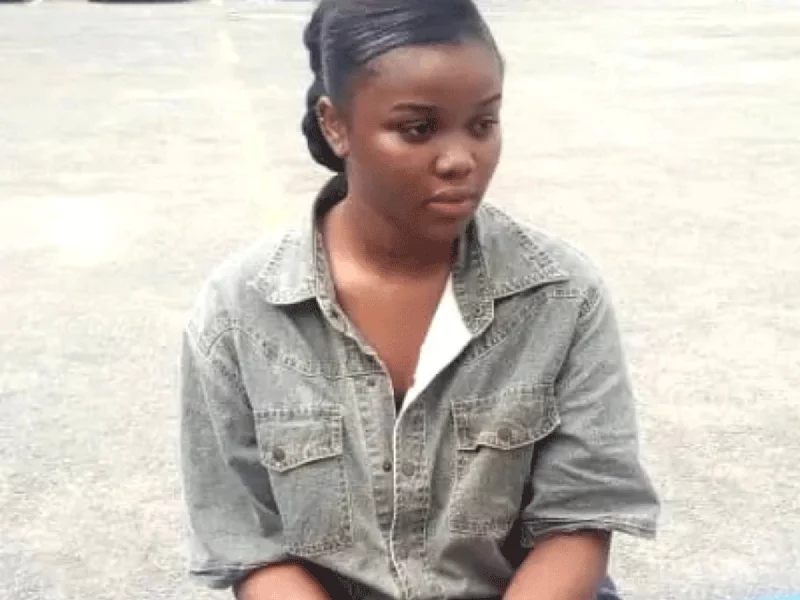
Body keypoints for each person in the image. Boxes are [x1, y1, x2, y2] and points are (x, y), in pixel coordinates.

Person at [178, 1, 660, 599]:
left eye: (482, 124)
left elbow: (580, 518)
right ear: (335, 125)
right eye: (418, 129)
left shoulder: (562, 296)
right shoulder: (239, 315)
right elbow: (251, 546)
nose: (460, 160)